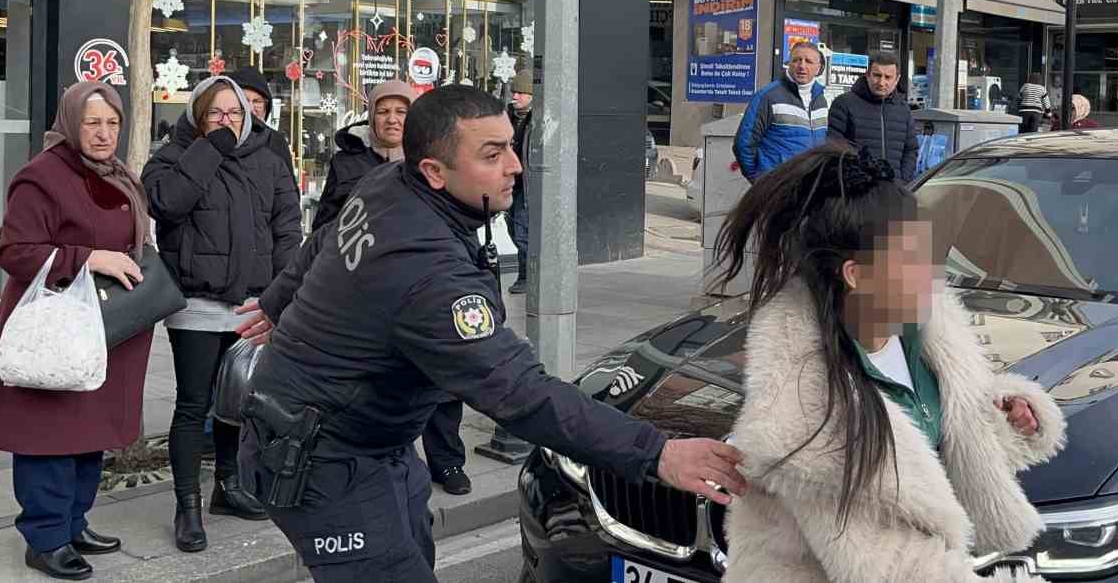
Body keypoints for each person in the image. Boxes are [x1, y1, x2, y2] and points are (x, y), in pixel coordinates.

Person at [232, 85, 745, 582]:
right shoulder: (427, 273)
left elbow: (328, 234)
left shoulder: (390, 182)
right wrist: (656, 453)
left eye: (511, 147)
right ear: (434, 171)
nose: (516, 166)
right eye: (493, 154)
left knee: (415, 544)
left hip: (368, 443)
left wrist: (278, 300)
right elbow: (519, 392)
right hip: (324, 460)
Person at [711, 146, 1064, 583]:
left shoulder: (927, 336)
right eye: (910, 258)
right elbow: (891, 565)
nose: (931, 272)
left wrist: (1004, 419)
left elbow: (932, 451)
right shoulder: (803, 415)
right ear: (856, 275)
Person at [0, 82, 152, 581]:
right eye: (92, 122)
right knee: (49, 433)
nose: (103, 134)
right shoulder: (42, 176)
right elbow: (15, 252)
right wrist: (87, 257)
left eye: (112, 123)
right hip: (56, 323)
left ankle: (74, 522)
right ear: (71, 122)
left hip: (104, 322)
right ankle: (46, 536)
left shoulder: (115, 174)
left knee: (89, 429)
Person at [144, 76, 302, 553]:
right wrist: (209, 147)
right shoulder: (172, 156)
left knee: (238, 401)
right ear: (198, 116)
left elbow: (286, 229)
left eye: (236, 113)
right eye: (216, 113)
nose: (228, 121)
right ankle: (186, 506)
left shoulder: (269, 158)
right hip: (195, 301)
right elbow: (167, 203)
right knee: (194, 403)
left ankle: (228, 488)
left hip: (252, 303)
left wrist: (281, 296)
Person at [312, 79, 416, 233]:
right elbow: (325, 223)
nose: (392, 120)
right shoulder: (345, 162)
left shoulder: (426, 162)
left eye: (401, 112)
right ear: (372, 116)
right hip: (357, 253)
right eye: (383, 112)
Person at [734, 42, 827, 181]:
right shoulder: (768, 96)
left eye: (808, 61)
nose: (802, 66)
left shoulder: (821, 100)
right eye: (796, 60)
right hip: (777, 186)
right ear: (789, 64)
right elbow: (743, 144)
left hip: (810, 185)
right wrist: (758, 179)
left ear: (818, 68)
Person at [826, 52, 918, 180]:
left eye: (888, 77)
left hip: (893, 191)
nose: (881, 82)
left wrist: (903, 180)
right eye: (877, 75)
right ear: (867, 75)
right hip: (858, 191)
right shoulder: (844, 104)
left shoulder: (903, 109)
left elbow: (911, 150)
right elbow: (834, 147)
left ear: (896, 79)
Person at [229, 66, 296, 175]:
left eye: (257, 101)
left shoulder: (276, 141)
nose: (250, 108)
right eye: (244, 100)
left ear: (266, 106)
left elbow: (288, 188)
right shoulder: (220, 139)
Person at [507, 70, 534, 295]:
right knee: (512, 230)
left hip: (527, 185)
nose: (514, 96)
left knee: (522, 233)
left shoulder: (537, 119)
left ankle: (527, 276)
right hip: (509, 183)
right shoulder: (507, 116)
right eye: (514, 92)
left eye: (520, 93)